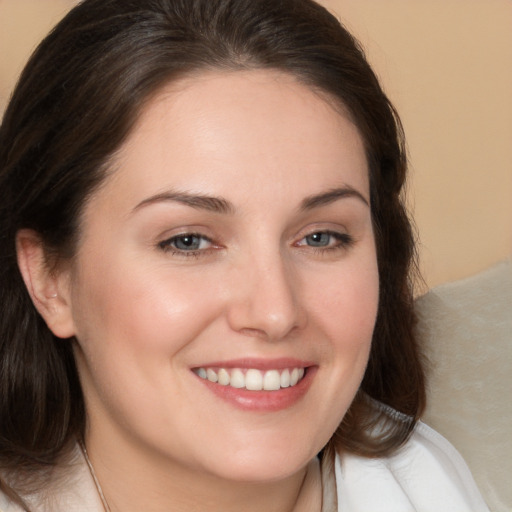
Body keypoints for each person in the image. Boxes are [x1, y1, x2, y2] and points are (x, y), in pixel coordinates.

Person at [0, 1, 489, 511]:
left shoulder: (434, 489)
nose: (275, 312)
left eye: (321, 237)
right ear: (49, 278)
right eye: (188, 241)